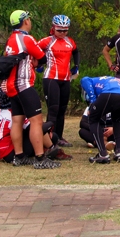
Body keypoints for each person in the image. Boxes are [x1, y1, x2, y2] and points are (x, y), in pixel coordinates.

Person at [5, 10, 58, 169]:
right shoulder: (25, 38)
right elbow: (42, 57)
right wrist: (36, 61)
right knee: (36, 121)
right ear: (25, 21)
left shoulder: (11, 39)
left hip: (11, 85)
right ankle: (40, 158)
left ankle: (19, 156)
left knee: (17, 120)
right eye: (28, 19)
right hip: (24, 84)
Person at [38, 14, 80, 149]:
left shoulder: (70, 41)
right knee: (53, 109)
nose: (62, 33)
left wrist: (77, 65)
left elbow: (76, 52)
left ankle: (59, 137)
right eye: (59, 30)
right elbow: (33, 51)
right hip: (51, 78)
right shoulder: (47, 41)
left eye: (65, 30)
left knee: (62, 110)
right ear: (53, 28)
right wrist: (37, 64)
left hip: (66, 79)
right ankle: (48, 137)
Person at [0, 86, 62, 164]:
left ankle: (48, 148)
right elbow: (38, 127)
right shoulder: (12, 113)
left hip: (2, 149)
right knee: (49, 135)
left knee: (48, 135)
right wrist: (50, 123)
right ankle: (50, 149)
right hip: (10, 152)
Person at [80, 76, 120, 164]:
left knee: (93, 119)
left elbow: (84, 80)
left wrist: (92, 102)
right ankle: (119, 152)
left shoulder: (91, 80)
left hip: (112, 91)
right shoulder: (106, 80)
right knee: (117, 120)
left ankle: (103, 154)